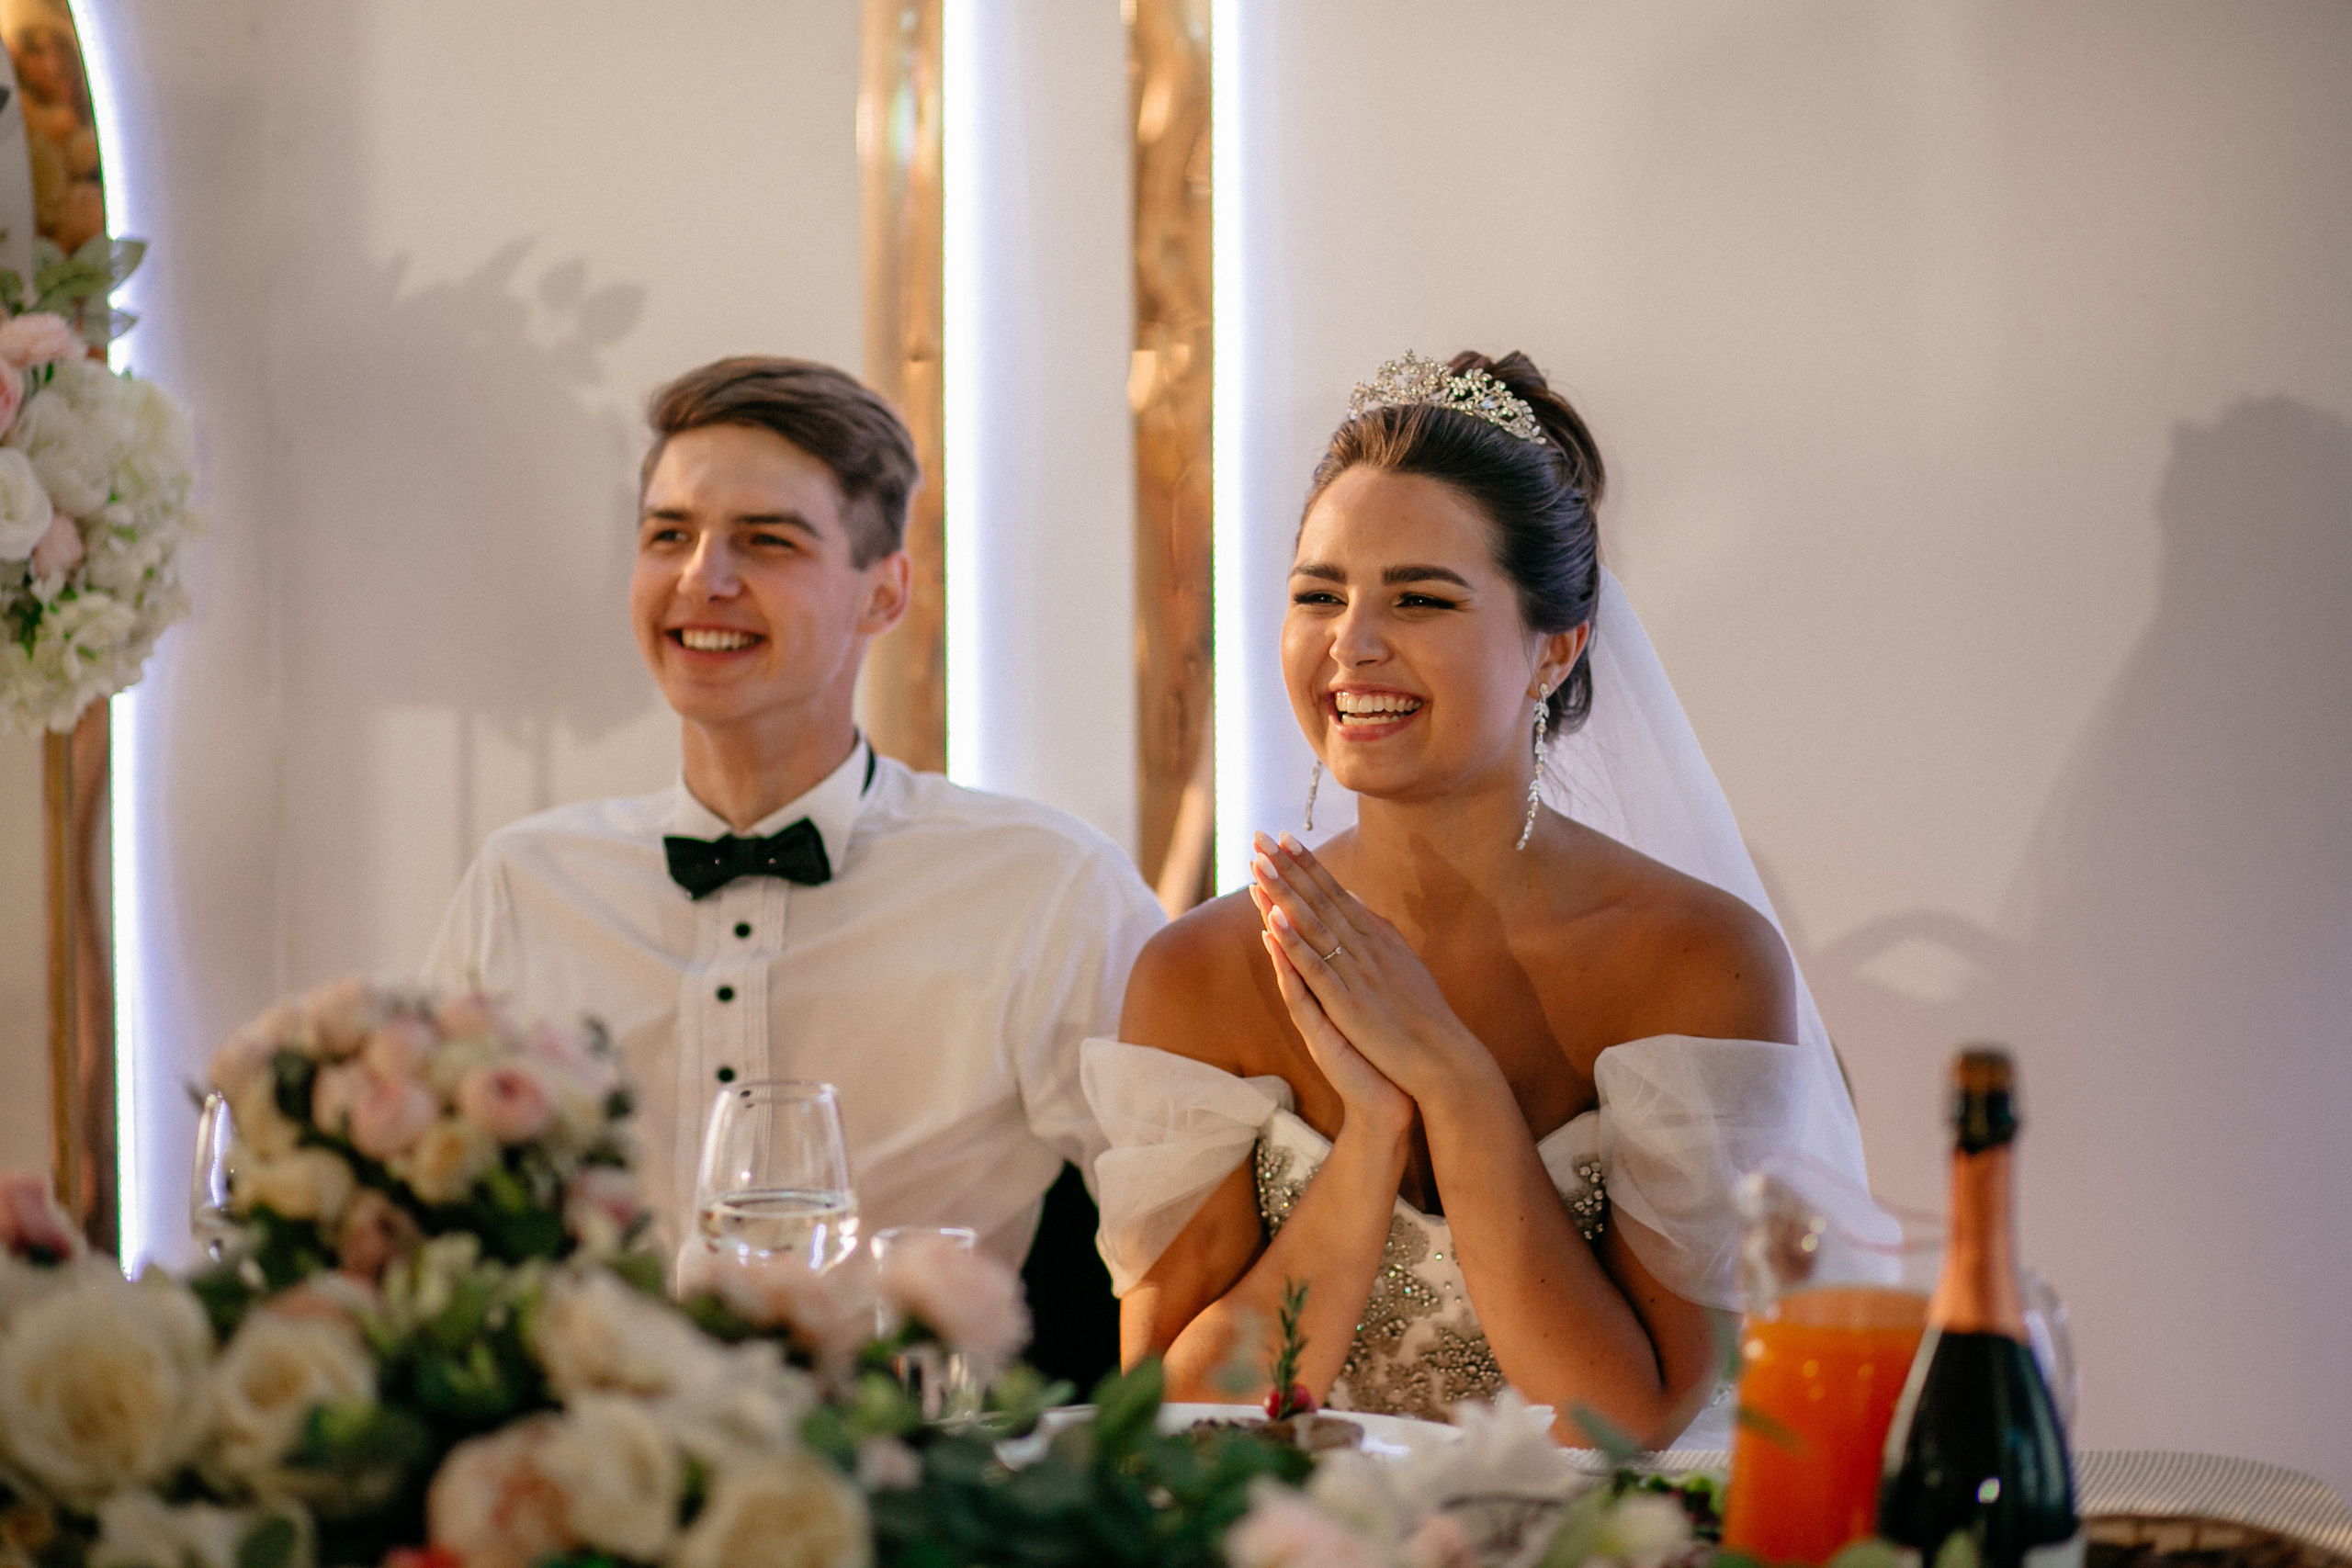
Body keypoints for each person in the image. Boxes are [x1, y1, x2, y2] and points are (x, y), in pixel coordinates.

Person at [1084, 351, 1870, 1449]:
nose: (1352, 644)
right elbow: (1177, 1413)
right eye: (1318, 595)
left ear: (1556, 649)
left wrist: (1453, 1083)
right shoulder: (1198, 972)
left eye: (1419, 599)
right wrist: (1372, 1130)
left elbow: (1623, 1418)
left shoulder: (1698, 959)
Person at [424, 356, 1165, 1313]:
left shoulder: (1047, 890)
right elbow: (422, 1231)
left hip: (909, 1408)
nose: (703, 578)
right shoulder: (523, 886)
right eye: (669, 536)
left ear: (884, 594)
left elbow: (1190, 1236)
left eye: (766, 541)